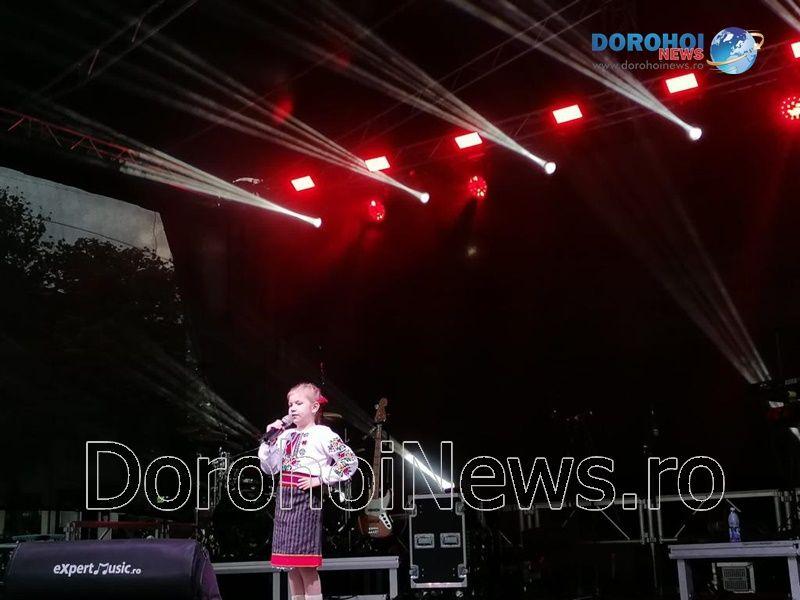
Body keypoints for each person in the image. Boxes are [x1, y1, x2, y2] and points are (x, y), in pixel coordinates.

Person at [259, 383, 358, 600]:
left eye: (298, 403)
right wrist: (269, 441)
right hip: (285, 501)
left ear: (314, 407)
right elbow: (269, 468)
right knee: (291, 565)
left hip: (305, 501)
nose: (293, 408)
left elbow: (349, 462)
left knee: (305, 565)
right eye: (290, 404)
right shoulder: (285, 435)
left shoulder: (322, 434)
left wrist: (320, 478)